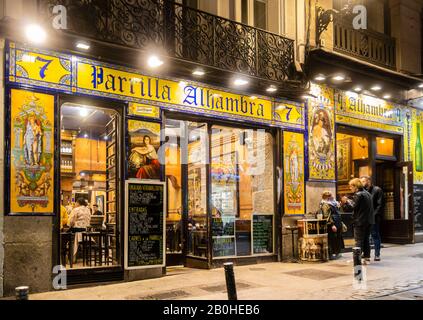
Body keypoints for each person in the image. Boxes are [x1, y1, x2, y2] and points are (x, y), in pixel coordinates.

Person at [341, 178, 374, 264]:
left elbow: (352, 207)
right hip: (369, 221)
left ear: (355, 186)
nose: (350, 188)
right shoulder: (368, 193)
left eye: (350, 186)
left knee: (358, 241)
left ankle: (357, 259)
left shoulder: (358, 194)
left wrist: (345, 201)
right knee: (366, 240)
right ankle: (366, 258)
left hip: (360, 221)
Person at [361, 176, 384, 261]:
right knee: (365, 236)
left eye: (363, 181)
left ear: (368, 181)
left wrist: (373, 216)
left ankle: (377, 254)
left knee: (375, 235)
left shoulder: (377, 190)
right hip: (364, 218)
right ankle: (366, 254)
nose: (362, 183)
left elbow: (380, 205)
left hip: (374, 217)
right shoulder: (363, 191)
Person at [319, 191, 344, 259]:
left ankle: (337, 252)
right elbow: (326, 215)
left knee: (337, 238)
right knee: (332, 239)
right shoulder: (325, 204)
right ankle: (331, 254)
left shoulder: (333, 203)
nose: (332, 196)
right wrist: (332, 224)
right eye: (330, 195)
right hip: (332, 223)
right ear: (327, 197)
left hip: (337, 222)